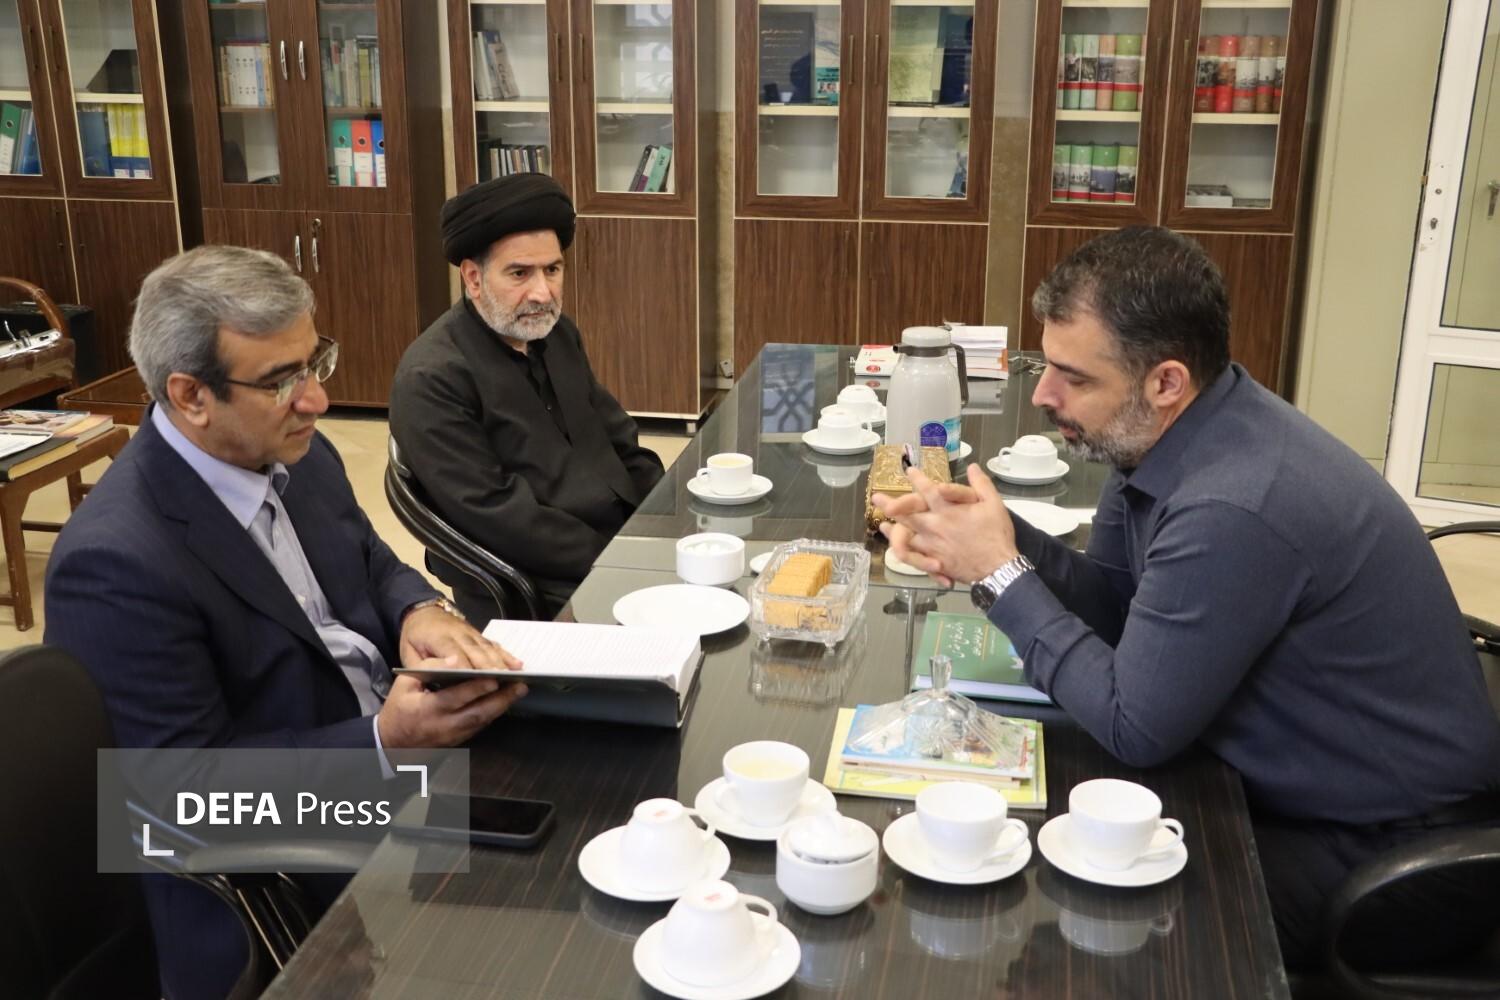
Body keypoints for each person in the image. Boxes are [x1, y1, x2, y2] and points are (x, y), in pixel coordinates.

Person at [875, 226, 1500, 971]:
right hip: (1305, 790)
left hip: (1395, 851)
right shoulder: (1169, 437)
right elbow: (1116, 606)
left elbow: (1134, 726)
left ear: (1165, 382)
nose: (1042, 395)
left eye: (1073, 377)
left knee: (1099, 918)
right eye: (1047, 366)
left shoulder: (1232, 505)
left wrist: (999, 572)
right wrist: (1002, 538)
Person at [44, 245, 529, 999]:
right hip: (291, 870)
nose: (317, 401)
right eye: (281, 381)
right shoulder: (116, 564)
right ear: (190, 396)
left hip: (397, 771)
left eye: (314, 364)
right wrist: (384, 744)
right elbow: (182, 801)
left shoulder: (295, 452)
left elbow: (370, 557)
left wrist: (419, 608)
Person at [389, 173, 664, 622]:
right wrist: (617, 563)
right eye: (520, 273)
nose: (543, 293)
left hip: (618, 545)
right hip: (539, 579)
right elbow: (498, 517)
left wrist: (667, 521)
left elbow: (620, 440)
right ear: (473, 278)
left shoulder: (556, 334)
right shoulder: (432, 379)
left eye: (552, 270)